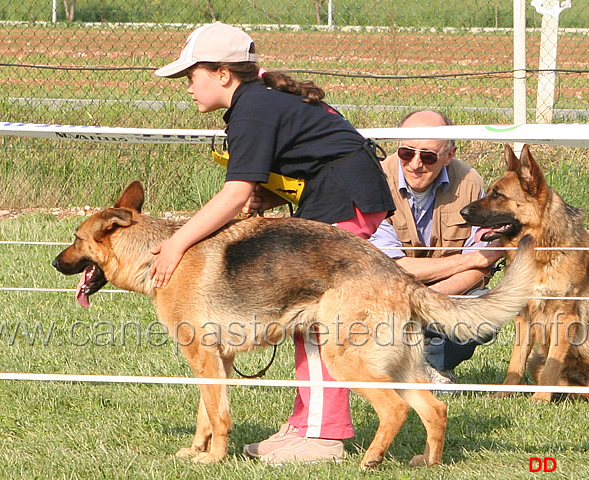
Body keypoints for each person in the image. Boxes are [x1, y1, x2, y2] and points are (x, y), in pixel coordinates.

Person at [152, 22, 395, 464]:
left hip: (344, 197)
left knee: (320, 319)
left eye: (191, 76)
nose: (187, 87)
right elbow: (286, 163)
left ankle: (323, 435)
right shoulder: (257, 100)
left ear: (223, 74)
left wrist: (176, 243)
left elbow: (234, 194)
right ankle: (305, 424)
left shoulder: (253, 108)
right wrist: (269, 191)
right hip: (336, 192)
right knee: (307, 318)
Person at [369, 110, 505, 388]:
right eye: (406, 153)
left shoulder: (471, 183)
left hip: (446, 295)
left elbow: (483, 265)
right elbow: (391, 268)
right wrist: (465, 261)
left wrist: (431, 300)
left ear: (449, 155)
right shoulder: (374, 181)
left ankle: (433, 365)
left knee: (489, 309)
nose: (416, 164)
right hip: (385, 297)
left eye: (428, 156)